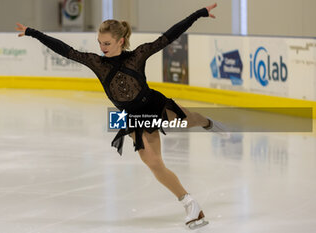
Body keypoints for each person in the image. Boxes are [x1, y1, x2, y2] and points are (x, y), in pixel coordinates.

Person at [16, 2, 224, 229]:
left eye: (107, 43)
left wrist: (199, 13)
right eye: (100, 43)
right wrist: (32, 33)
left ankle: (208, 123)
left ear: (120, 41)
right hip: (132, 116)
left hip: (153, 105)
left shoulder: (137, 56)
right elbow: (65, 50)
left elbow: (169, 36)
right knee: (153, 162)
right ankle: (190, 204)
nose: (102, 47)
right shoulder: (97, 63)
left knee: (189, 120)